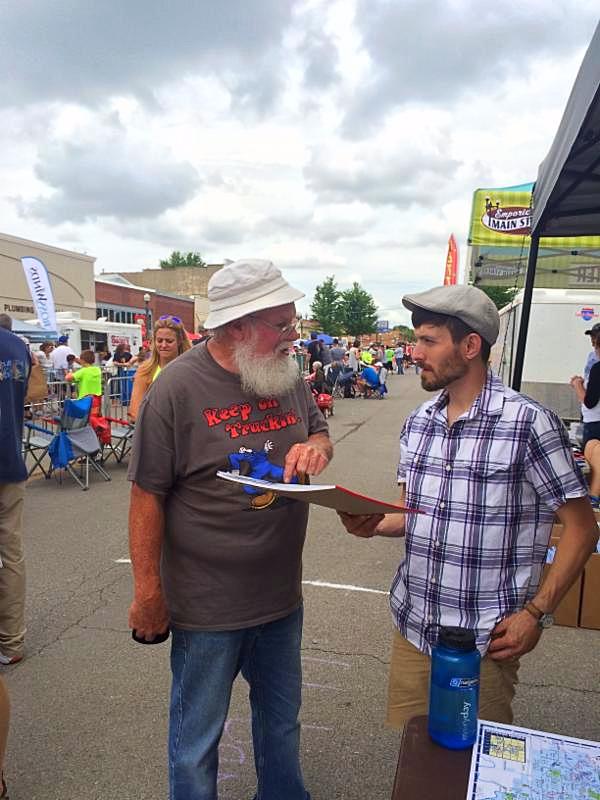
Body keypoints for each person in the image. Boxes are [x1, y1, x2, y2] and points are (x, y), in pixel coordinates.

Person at [339, 284, 598, 727]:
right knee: (414, 754)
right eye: (416, 340)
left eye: (428, 341)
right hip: (414, 626)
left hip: (486, 642)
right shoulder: (419, 423)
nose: (415, 353)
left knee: (471, 759)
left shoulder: (528, 423)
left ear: (470, 346)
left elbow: (582, 527)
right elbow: (411, 511)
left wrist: (537, 613)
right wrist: (374, 523)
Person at [127, 258, 333, 800]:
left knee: (281, 723)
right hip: (208, 605)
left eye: (292, 322)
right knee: (196, 741)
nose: (293, 335)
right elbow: (146, 495)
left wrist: (316, 449)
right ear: (238, 325)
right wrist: (147, 593)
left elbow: (319, 432)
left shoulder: (285, 374)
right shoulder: (177, 388)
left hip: (281, 596)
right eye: (281, 324)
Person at [0, 319, 30, 671]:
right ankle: (11, 640)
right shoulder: (18, 346)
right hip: (10, 459)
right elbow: (31, 393)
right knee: (11, 552)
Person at [128, 316, 191, 422]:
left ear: (179, 341)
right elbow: (135, 412)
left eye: (169, 341)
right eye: (159, 340)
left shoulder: (191, 370)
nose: (163, 345)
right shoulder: (145, 370)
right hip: (153, 428)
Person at [570, 333, 600, 507]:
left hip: (595, 423)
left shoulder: (597, 368)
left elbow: (589, 401)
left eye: (595, 342)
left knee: (593, 455)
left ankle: (594, 497)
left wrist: (577, 385)